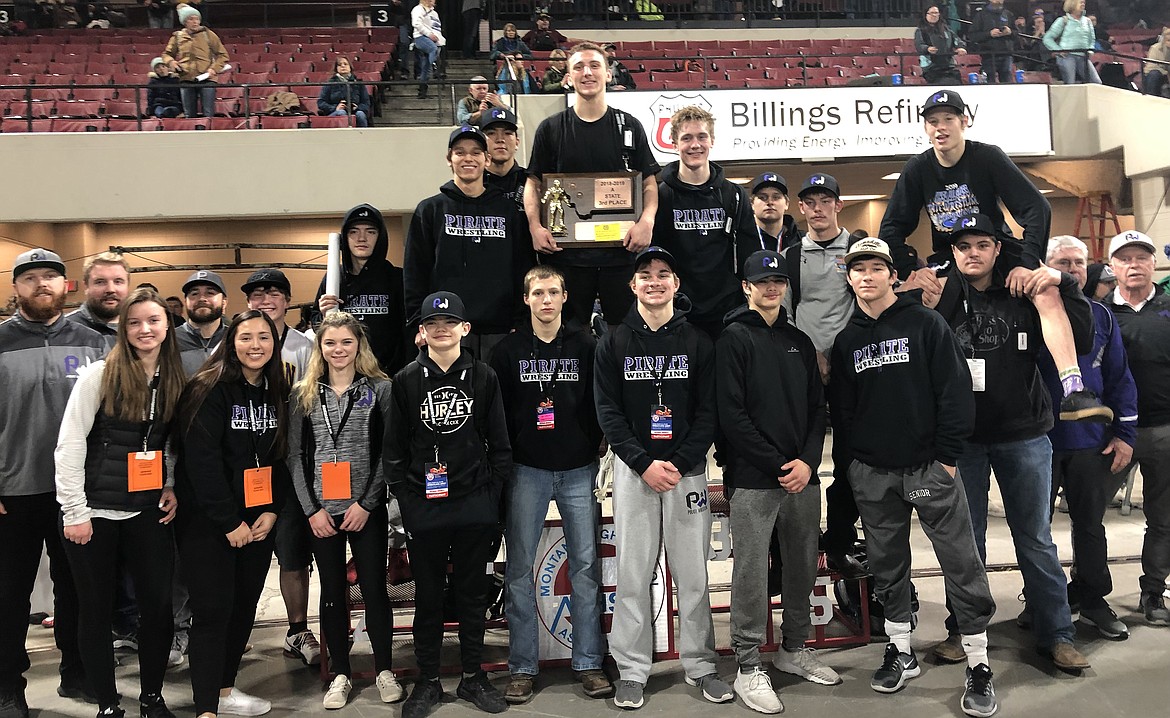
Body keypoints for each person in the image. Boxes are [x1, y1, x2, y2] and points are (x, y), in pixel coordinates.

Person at [830, 237, 997, 718]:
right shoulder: (848, 340)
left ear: (892, 275)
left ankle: (978, 662)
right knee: (887, 565)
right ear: (849, 278)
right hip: (873, 472)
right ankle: (900, 649)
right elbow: (843, 411)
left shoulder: (926, 324)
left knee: (960, 562)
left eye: (875, 268)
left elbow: (955, 391)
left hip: (929, 466)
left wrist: (947, 457)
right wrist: (854, 466)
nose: (866, 276)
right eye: (857, 269)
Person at [880, 90, 1110, 423]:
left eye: (948, 119)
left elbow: (1036, 208)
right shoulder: (918, 168)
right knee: (915, 298)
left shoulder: (987, 157)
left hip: (997, 245)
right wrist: (907, 271)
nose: (940, 128)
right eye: (932, 122)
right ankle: (913, 401)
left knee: (1043, 288)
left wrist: (1027, 263)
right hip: (952, 252)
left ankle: (1073, 388)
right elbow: (891, 228)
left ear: (964, 122)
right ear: (925, 128)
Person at [927, 213, 1093, 672]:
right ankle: (964, 630)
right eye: (964, 246)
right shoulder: (939, 298)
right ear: (953, 253)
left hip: (1025, 436)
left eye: (983, 244)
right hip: (963, 442)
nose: (973, 252)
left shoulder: (1023, 291)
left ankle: (1057, 634)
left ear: (998, 250)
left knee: (1036, 540)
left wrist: (1067, 285)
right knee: (966, 542)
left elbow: (1079, 334)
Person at [594, 247, 731, 710]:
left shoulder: (698, 342)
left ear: (676, 285)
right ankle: (632, 669)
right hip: (636, 474)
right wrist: (643, 463)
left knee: (693, 574)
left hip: (687, 473)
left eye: (664, 275)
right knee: (633, 574)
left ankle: (701, 664)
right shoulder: (613, 342)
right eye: (645, 276)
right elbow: (608, 413)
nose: (654, 282)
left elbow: (710, 411)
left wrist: (679, 461)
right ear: (633, 286)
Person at [717, 250, 838, 716]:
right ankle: (748, 664)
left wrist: (808, 461)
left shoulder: (799, 341)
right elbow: (732, 416)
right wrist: (778, 464)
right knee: (750, 570)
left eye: (779, 281)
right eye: (762, 281)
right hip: (754, 478)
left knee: (803, 564)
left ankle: (793, 647)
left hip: (803, 478)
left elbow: (816, 409)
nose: (772, 288)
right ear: (746, 287)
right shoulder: (733, 338)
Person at [55, 288, 185, 718]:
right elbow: (69, 444)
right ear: (122, 329)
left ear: (168, 326)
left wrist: (168, 483)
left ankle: (152, 697)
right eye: (134, 322)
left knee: (157, 607)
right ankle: (108, 704)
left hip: (147, 510)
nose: (144, 329)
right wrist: (74, 512)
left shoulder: (174, 379)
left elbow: (167, 443)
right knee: (94, 611)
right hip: (93, 513)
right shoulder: (99, 375)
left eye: (153, 320)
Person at [386, 291, 512, 718]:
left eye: (449, 322)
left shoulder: (483, 377)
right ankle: (427, 680)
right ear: (422, 331)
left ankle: (474, 677)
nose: (441, 329)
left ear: (465, 328)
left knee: (472, 593)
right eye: (432, 323)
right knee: (429, 597)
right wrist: (409, 500)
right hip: (426, 506)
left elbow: (500, 444)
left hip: (474, 504)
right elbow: (394, 452)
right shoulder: (404, 381)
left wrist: (491, 495)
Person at [489, 266, 611, 704]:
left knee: (584, 568)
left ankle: (589, 662)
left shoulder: (586, 346)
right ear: (526, 299)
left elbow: (601, 402)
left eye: (553, 292)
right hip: (527, 470)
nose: (545, 299)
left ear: (564, 297)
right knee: (519, 570)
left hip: (579, 469)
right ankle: (522, 666)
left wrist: (594, 443)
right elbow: (495, 413)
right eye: (537, 292)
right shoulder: (506, 352)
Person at [0, 249, 107, 718]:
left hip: (77, 495)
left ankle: (77, 674)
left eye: (51, 276)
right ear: (15, 288)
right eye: (30, 278)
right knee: (9, 594)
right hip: (13, 491)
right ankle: (7, 687)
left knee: (78, 591)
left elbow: (111, 416)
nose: (41, 284)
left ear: (67, 286)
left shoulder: (93, 341)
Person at [173, 309, 290, 718]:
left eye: (264, 337)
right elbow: (200, 464)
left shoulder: (277, 388)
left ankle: (224, 691)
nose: (255, 345)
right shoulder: (208, 388)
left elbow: (281, 459)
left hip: (258, 523)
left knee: (243, 608)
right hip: (211, 525)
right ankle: (206, 707)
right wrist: (228, 522)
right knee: (212, 612)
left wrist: (273, 510)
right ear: (231, 342)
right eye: (246, 337)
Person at [288, 312, 402, 710]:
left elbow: (389, 453)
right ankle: (340, 674)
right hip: (322, 512)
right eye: (330, 343)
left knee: (374, 590)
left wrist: (368, 503)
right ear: (320, 347)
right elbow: (295, 457)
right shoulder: (304, 393)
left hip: (364, 511)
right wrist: (311, 510)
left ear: (359, 346)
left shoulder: (380, 389)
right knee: (333, 594)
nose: (338, 350)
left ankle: (384, 669)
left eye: (346, 342)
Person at [524, 41, 661, 328]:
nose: (587, 73)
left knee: (624, 338)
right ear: (568, 77)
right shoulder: (550, 128)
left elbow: (648, 181)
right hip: (568, 258)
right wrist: (535, 226)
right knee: (571, 339)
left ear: (608, 74)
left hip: (621, 255)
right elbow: (533, 183)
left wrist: (647, 220)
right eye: (579, 67)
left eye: (595, 66)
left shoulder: (630, 125)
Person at [1041, 236, 1137, 640]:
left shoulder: (1102, 316)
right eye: (1063, 262)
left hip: (1090, 441)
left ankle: (1093, 599)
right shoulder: (1030, 312)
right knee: (1035, 531)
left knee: (1090, 526)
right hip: (1038, 443)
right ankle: (1043, 602)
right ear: (1045, 266)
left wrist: (1125, 433)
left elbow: (1119, 376)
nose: (1073, 269)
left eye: (1079, 262)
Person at [780, 174, 867, 580]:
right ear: (801, 209)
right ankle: (797, 544)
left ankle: (839, 543)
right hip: (804, 368)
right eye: (809, 201)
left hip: (854, 367)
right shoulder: (792, 254)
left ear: (839, 204)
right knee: (803, 456)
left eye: (825, 200)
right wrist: (810, 353)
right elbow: (786, 310)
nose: (817, 208)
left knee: (852, 460)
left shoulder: (858, 249)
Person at [241, 269, 321, 669]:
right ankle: (236, 629)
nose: (264, 299)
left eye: (273, 293)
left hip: (288, 465)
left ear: (288, 300)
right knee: (243, 552)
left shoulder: (304, 346)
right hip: (248, 466)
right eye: (256, 294)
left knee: (292, 554)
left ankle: (296, 630)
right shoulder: (237, 345)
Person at [404, 126, 532, 362]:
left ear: (487, 159)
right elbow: (415, 271)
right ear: (449, 159)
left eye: (475, 152)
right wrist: (417, 323)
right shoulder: (430, 210)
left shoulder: (509, 212)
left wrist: (522, 321)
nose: (468, 158)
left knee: (500, 398)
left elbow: (522, 269)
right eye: (460, 152)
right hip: (447, 329)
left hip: (501, 331)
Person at [1105, 230, 1170, 627]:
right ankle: (1087, 590)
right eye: (1124, 258)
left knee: (1162, 518)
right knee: (1088, 516)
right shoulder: (1098, 312)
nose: (1134, 265)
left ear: (1153, 264)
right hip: (1111, 436)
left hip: (1164, 430)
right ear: (1112, 267)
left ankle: (1153, 593)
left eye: (1141, 258)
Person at [651, 105, 755, 340]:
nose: (695, 145)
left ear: (712, 140)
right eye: (686, 138)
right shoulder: (660, 197)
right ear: (674, 143)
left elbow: (749, 255)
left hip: (728, 315)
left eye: (701, 137)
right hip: (677, 312)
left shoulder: (735, 196)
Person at [315, 204, 409, 376]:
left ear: (380, 237)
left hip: (390, 376)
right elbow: (318, 331)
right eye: (354, 232)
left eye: (370, 232)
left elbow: (407, 332)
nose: (362, 238)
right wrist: (323, 315)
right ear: (345, 237)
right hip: (346, 377)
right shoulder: (333, 280)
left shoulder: (397, 279)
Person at [161, 4, 228, 118]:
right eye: (191, 19)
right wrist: (171, 62)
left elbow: (223, 55)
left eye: (197, 19)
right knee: (189, 114)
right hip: (186, 77)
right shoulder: (177, 37)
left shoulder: (208, 34)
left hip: (207, 78)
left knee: (208, 113)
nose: (195, 22)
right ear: (185, 22)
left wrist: (214, 69)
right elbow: (166, 54)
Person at [65, 251, 130, 342]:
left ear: (128, 286)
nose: (110, 289)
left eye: (118, 281)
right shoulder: (65, 329)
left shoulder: (141, 327)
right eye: (100, 282)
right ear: (86, 286)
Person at [175, 270, 229, 376]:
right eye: (194, 294)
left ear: (224, 302)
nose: (202, 299)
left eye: (210, 293)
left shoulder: (234, 337)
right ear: (185, 301)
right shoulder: (171, 339)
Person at [479, 106, 526, 215]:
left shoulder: (531, 183)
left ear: (517, 142)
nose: (500, 139)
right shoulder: (473, 185)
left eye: (508, 133)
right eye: (491, 133)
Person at [1043, 0, 1102, 85]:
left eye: (1084, 3)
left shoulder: (1087, 21)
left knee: (1096, 82)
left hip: (1083, 56)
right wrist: (1058, 50)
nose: (1083, 4)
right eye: (1080, 2)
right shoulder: (1063, 20)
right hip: (1067, 56)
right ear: (1072, 4)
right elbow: (1047, 38)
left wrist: (1090, 51)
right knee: (1070, 83)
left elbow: (1091, 39)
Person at [915, 4, 967, 84]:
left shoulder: (946, 29)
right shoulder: (920, 30)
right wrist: (927, 49)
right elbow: (919, 45)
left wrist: (960, 47)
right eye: (931, 13)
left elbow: (957, 40)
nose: (934, 15)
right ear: (926, 15)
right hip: (931, 67)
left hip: (948, 65)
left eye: (936, 13)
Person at [748, 172, 800, 252]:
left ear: (786, 203)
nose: (770, 202)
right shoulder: (739, 240)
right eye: (762, 197)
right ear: (752, 204)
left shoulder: (801, 241)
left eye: (776, 197)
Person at [968, 0, 1016, 83]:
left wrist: (1010, 32)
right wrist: (989, 34)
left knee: (1007, 83)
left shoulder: (1008, 14)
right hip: (988, 55)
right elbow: (972, 36)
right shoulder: (981, 15)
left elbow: (1016, 34)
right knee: (990, 81)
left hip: (1006, 54)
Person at [316, 56, 370, 127]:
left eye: (345, 64)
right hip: (335, 112)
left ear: (350, 67)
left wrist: (356, 107)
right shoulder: (330, 83)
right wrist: (335, 108)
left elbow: (366, 103)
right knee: (341, 112)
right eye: (339, 65)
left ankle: (363, 136)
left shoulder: (358, 83)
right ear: (336, 68)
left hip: (355, 111)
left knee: (360, 114)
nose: (343, 66)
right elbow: (321, 102)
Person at [411, 0, 444, 99]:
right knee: (433, 50)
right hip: (420, 37)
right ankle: (434, 66)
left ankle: (422, 91)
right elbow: (416, 24)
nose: (432, 1)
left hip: (431, 38)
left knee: (425, 66)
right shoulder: (417, 9)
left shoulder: (434, 13)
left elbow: (437, 27)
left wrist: (440, 39)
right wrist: (429, 34)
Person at [1143, 26, 1170, 97]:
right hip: (1158, 74)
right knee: (1154, 74)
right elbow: (1151, 66)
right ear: (1164, 40)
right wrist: (1166, 73)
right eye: (1168, 40)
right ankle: (1150, 98)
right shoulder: (1155, 48)